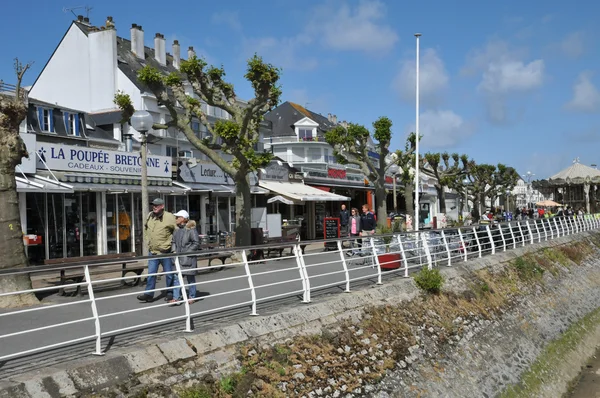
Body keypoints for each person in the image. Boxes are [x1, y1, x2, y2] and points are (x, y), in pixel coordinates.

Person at [137, 198, 177, 303]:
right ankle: (148, 294)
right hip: (153, 251)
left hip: (165, 251)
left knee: (169, 274)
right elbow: (145, 228)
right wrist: (147, 240)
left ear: (162, 206)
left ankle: (170, 293)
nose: (154, 207)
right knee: (151, 274)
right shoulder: (150, 215)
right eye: (153, 205)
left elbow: (177, 230)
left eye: (157, 205)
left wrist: (171, 244)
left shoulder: (169, 217)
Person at [169, 210, 200, 306]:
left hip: (188, 259)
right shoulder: (177, 230)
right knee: (176, 278)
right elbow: (173, 242)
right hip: (178, 259)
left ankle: (192, 296)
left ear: (183, 219)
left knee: (190, 278)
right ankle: (176, 298)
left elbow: (196, 243)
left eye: (177, 217)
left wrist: (186, 253)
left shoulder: (191, 230)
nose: (176, 219)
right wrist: (174, 251)